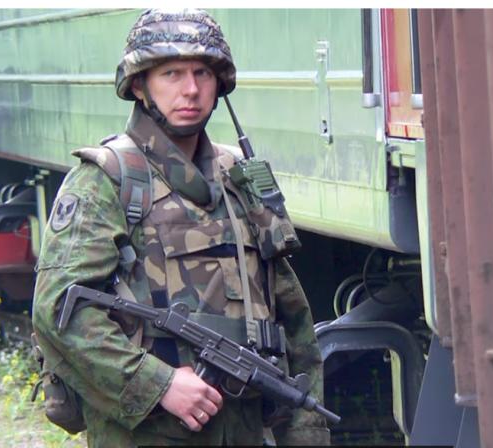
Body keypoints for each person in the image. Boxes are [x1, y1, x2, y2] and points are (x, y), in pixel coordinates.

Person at [32, 8, 331, 447]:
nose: (190, 89)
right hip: (148, 433)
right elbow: (59, 310)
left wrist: (305, 433)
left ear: (219, 83)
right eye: (171, 73)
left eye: (202, 73)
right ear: (139, 85)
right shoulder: (107, 179)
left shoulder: (236, 176)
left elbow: (291, 315)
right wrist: (158, 385)